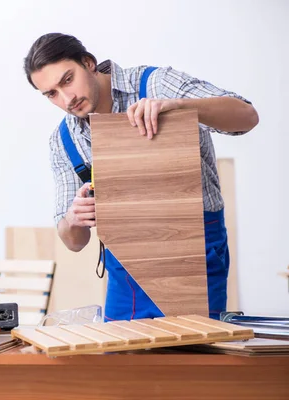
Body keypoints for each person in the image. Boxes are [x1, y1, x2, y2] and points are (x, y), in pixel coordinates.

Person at [23, 33, 259, 321]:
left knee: (192, 360)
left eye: (68, 80)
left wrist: (181, 107)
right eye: (51, 94)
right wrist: (74, 219)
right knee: (123, 362)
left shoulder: (156, 84)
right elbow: (73, 242)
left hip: (194, 257)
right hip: (126, 272)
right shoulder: (63, 140)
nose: (66, 99)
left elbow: (247, 117)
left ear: (89, 63)